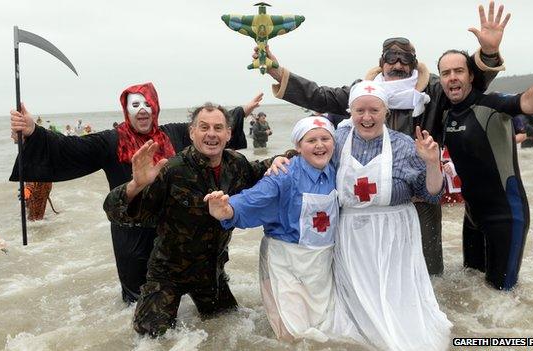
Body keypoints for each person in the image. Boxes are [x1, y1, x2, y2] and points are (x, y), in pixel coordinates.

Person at [258, 1, 510, 275]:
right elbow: (321, 95)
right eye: (391, 57)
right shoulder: (363, 92)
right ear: (381, 62)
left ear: (415, 63)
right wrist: (276, 70)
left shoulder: (435, 90)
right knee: (369, 272)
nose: (398, 64)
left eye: (406, 58)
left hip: (420, 197)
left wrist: (488, 52)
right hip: (368, 201)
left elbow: (468, 85)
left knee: (428, 274)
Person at [9, 82, 260, 304]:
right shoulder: (111, 141)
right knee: (136, 301)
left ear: (156, 107)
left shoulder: (172, 134)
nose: (142, 109)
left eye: (147, 103)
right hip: (131, 231)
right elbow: (71, 148)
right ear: (126, 110)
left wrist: (242, 112)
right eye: (135, 104)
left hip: (173, 233)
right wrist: (33, 132)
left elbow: (210, 131)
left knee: (192, 291)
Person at [103, 103, 282, 337]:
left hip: (210, 272)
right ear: (191, 132)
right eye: (204, 127)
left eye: (218, 128)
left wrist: (283, 158)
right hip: (167, 274)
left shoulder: (236, 164)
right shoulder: (173, 170)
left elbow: (261, 170)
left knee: (231, 328)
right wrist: (136, 185)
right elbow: (116, 213)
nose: (211, 134)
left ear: (228, 133)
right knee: (150, 338)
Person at [437, 50, 533, 290]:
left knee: (502, 299)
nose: (452, 77)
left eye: (459, 71)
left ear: (471, 76)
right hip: (472, 217)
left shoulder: (492, 104)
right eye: (446, 73)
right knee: (470, 289)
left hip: (505, 217)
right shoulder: (443, 112)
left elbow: (528, 101)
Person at [327, 81, 451, 350]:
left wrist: (433, 162)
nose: (367, 117)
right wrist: (279, 161)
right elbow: (308, 161)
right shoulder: (336, 141)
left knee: (397, 299)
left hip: (395, 232)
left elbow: (431, 194)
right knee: (357, 303)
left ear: (386, 112)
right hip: (351, 235)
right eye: (360, 110)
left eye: (374, 110)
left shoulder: (404, 144)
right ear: (350, 111)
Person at [204, 116, 338, 343]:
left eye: (325, 138)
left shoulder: (337, 171)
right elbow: (255, 198)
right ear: (298, 146)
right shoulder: (284, 175)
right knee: (290, 333)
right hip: (284, 260)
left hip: (320, 261)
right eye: (311, 140)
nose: (319, 145)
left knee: (322, 327)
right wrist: (227, 210)